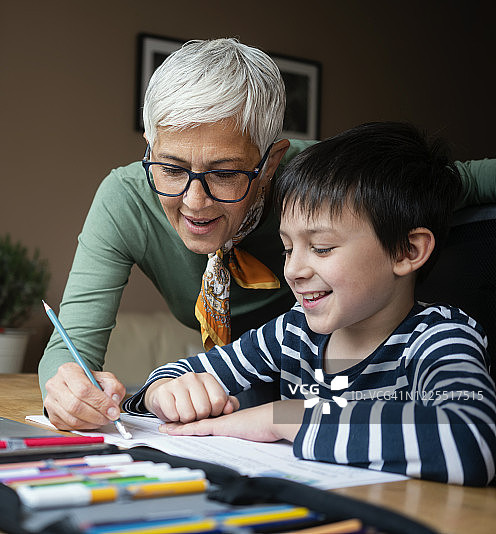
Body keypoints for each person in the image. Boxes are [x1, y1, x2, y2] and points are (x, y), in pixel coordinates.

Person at [39, 37, 496, 432]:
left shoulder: (327, 188)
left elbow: (449, 181)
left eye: (225, 174)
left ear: (271, 162)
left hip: (338, 390)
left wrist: (283, 420)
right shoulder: (128, 200)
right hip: (260, 389)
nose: (195, 201)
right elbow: (73, 348)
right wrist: (80, 392)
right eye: (172, 168)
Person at [122, 122, 496, 486]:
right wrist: (163, 392)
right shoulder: (292, 332)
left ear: (407, 251)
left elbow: (472, 440)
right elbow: (174, 374)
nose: (294, 270)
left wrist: (284, 418)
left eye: (321, 248)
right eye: (288, 249)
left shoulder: (439, 339)